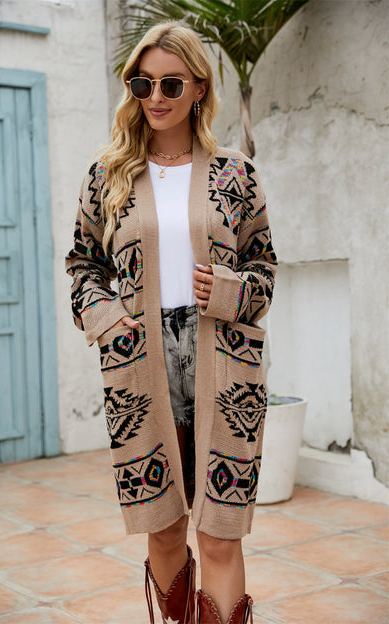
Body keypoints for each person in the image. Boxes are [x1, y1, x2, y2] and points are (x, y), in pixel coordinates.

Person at [65, 21, 277, 624]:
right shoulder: (108, 175)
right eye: (142, 83)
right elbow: (83, 266)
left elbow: (265, 266)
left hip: (224, 364)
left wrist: (231, 292)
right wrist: (110, 320)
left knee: (220, 535)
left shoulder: (236, 174)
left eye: (170, 83)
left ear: (200, 88)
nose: (154, 96)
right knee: (163, 530)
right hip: (140, 363)